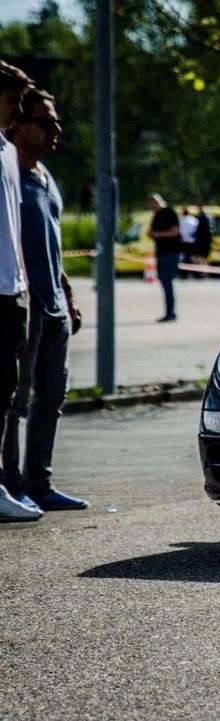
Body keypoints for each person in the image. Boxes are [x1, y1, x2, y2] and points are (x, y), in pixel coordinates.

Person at [1, 87, 87, 512]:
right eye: (47, 121)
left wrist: (68, 293)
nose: (57, 129)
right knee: (16, 400)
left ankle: (41, 484)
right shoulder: (8, 174)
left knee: (52, 396)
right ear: (18, 126)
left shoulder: (45, 176)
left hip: (53, 304)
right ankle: (11, 486)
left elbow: (53, 244)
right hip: (23, 301)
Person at [0, 60, 41, 522]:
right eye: (12, 101)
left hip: (12, 293)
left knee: (7, 395)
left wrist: (24, 284)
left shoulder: (8, 153)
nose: (18, 112)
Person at [148, 193, 181, 321]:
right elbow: (152, 232)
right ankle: (169, 312)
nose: (150, 207)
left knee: (167, 281)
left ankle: (170, 313)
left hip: (171, 252)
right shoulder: (156, 216)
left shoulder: (169, 213)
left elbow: (175, 232)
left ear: (157, 202)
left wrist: (158, 234)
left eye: (151, 204)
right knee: (163, 281)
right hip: (161, 253)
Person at [192, 203, 213, 277]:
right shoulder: (206, 217)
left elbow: (202, 230)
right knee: (202, 257)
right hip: (204, 240)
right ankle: (204, 272)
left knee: (202, 257)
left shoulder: (203, 217)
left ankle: (204, 272)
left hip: (203, 241)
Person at [178, 207, 198, 278]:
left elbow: (180, 231)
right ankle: (193, 273)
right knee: (193, 257)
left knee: (185, 258)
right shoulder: (194, 220)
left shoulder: (182, 220)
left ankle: (185, 273)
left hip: (185, 242)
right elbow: (197, 230)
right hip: (193, 242)